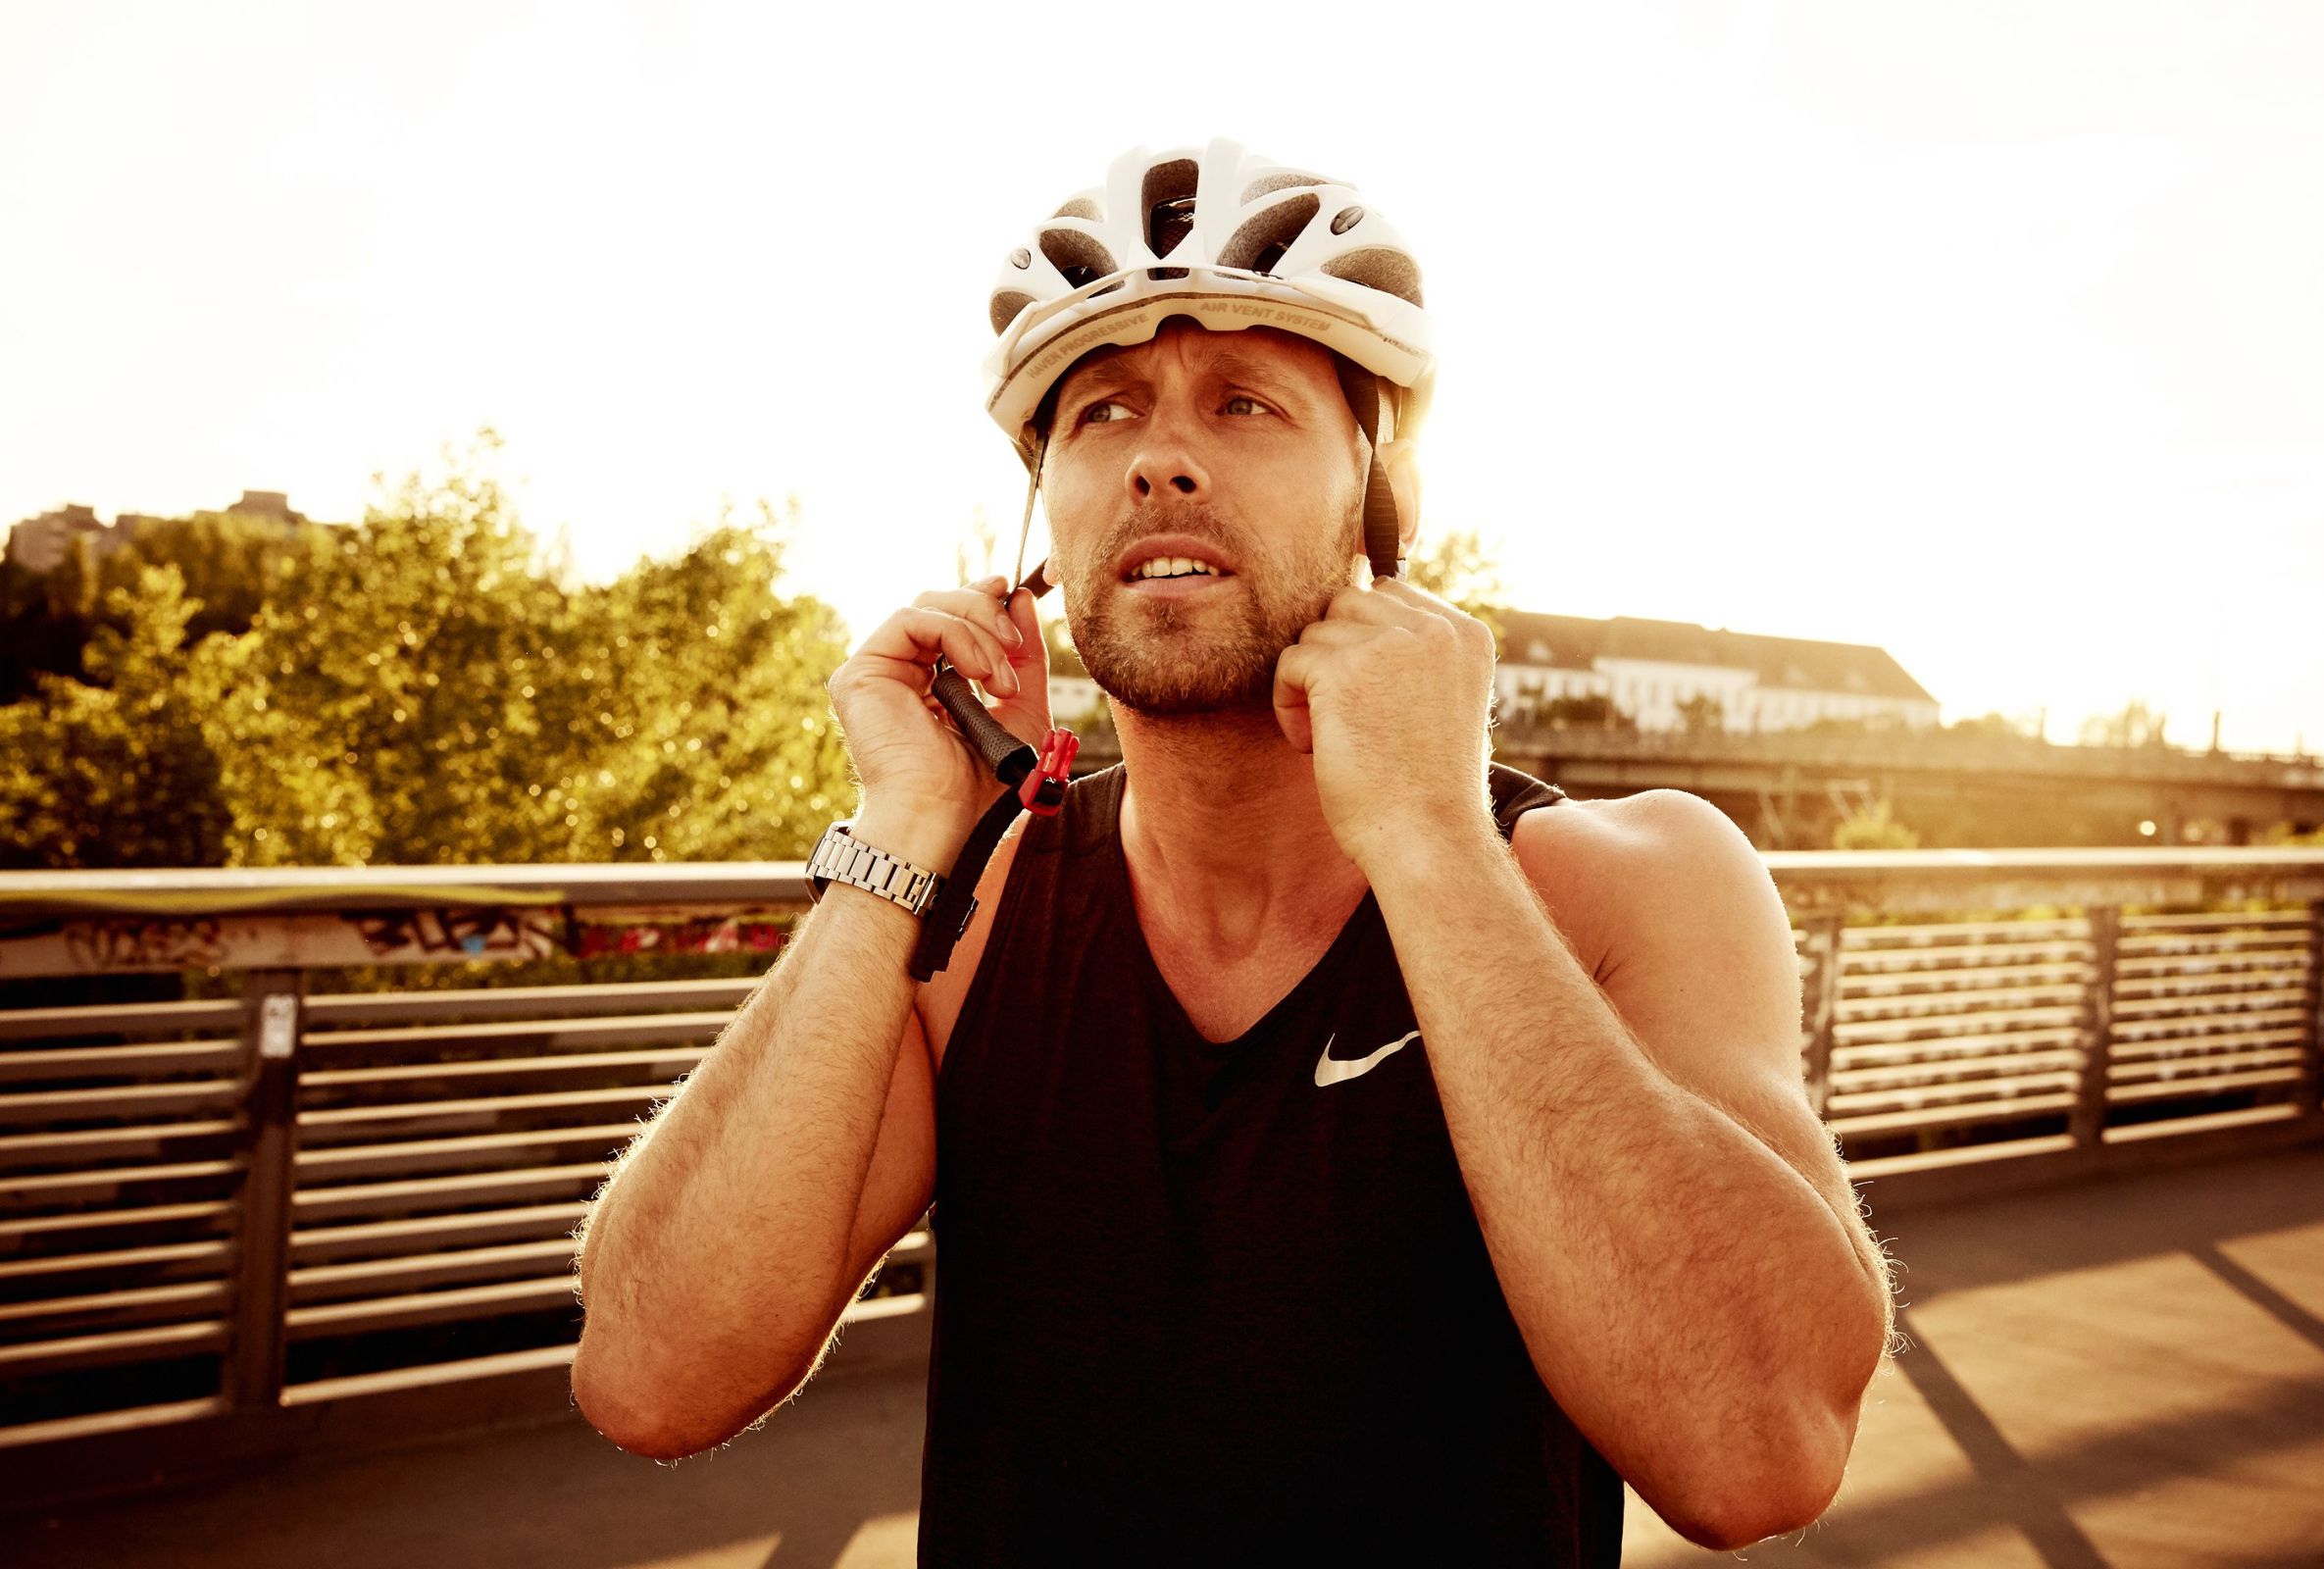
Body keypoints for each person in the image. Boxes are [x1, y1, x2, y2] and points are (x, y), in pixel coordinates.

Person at [571, 139, 1896, 1565]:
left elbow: (1756, 1452)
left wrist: (1431, 840)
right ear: (1041, 522)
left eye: (1247, 403)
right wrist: (898, 832)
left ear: (1379, 499)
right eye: (1100, 415)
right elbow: (653, 1377)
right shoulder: (975, 904)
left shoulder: (1624, 877)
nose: (1160, 458)